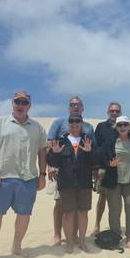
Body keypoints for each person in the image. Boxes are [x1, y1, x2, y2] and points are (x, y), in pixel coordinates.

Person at [0, 91, 47, 258]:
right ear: (12, 103)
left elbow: (42, 152)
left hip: (28, 178)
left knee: (24, 215)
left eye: (25, 102)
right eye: (18, 101)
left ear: (29, 105)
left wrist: (42, 175)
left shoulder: (37, 128)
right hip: (2, 178)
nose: (21, 105)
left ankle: (17, 246)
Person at [47, 96, 95, 246]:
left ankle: (74, 236)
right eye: (72, 105)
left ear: (82, 108)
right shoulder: (59, 122)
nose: (75, 107)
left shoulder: (88, 127)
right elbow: (51, 143)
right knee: (60, 204)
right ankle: (57, 234)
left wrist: (94, 167)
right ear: (68, 108)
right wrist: (50, 166)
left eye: (78, 105)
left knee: (79, 208)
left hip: (82, 176)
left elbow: (92, 149)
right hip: (62, 172)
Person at [99, 116, 130, 248]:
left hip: (129, 180)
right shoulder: (110, 141)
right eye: (120, 125)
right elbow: (100, 156)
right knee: (114, 209)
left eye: (125, 125)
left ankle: (129, 237)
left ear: (129, 126)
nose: (123, 127)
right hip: (113, 180)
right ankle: (115, 236)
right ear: (116, 127)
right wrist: (109, 164)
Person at [92, 101, 123, 235]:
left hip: (120, 169)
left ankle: (115, 226)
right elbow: (96, 147)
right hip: (104, 168)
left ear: (120, 113)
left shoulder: (124, 126)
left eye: (117, 111)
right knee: (102, 197)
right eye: (112, 111)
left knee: (117, 199)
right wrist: (96, 167)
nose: (114, 113)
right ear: (108, 112)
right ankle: (97, 225)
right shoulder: (101, 127)